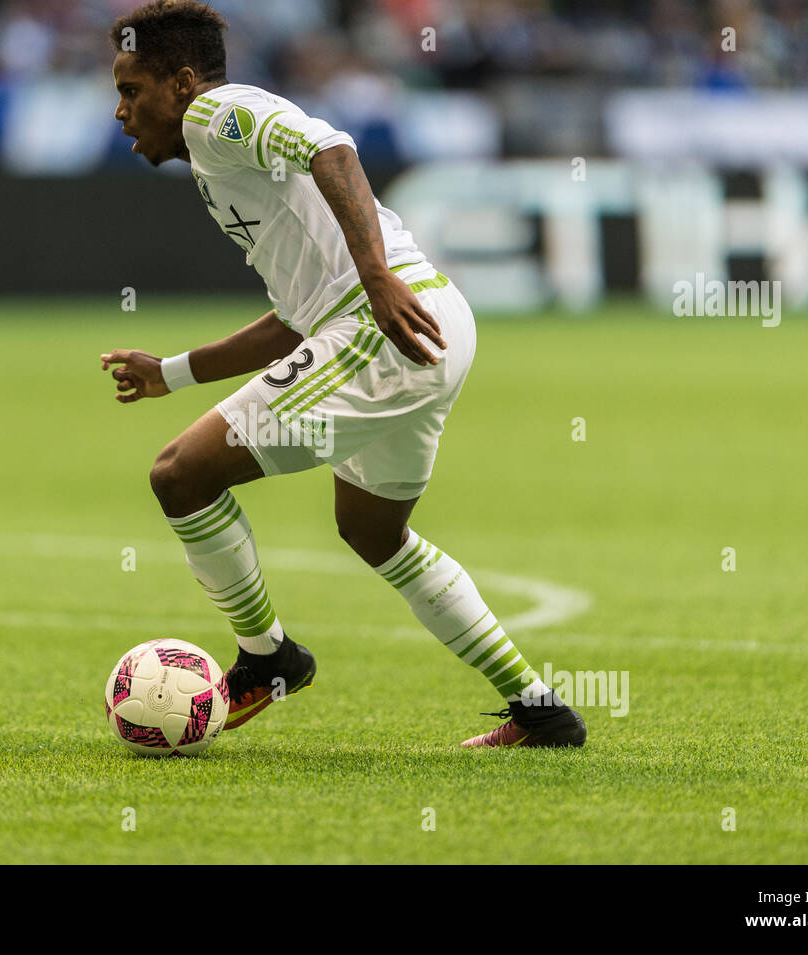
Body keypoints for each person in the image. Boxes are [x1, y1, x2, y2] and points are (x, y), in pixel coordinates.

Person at [99, 0, 584, 748]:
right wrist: (172, 372)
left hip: (383, 325)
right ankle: (541, 711)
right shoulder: (221, 165)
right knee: (373, 531)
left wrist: (375, 278)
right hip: (419, 322)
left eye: (132, 90)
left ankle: (269, 658)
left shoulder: (216, 116)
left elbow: (332, 149)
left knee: (180, 475)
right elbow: (296, 322)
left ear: (183, 82)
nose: (121, 112)